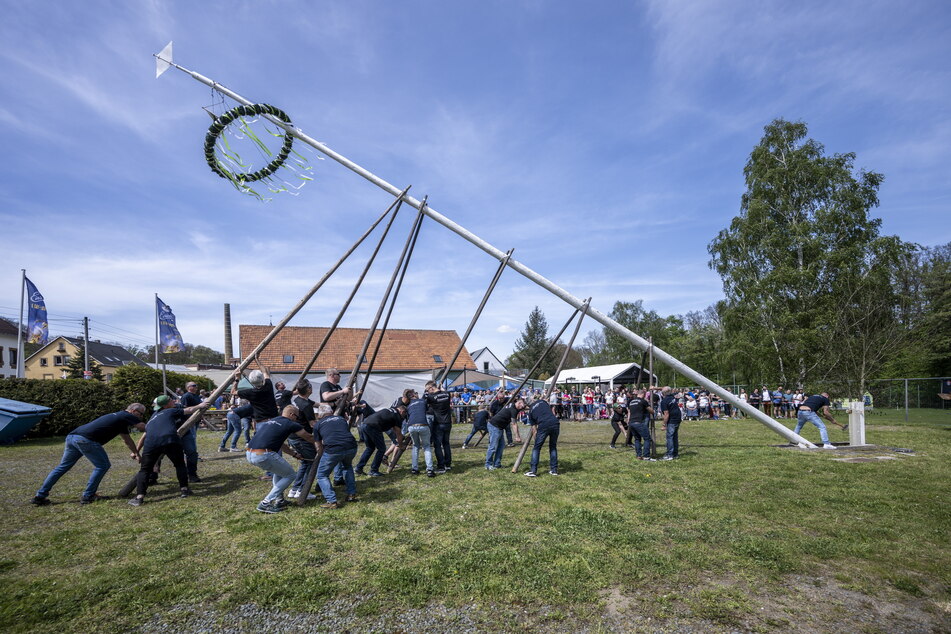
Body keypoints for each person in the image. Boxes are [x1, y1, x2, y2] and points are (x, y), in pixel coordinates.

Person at [32, 403, 147, 505]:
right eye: (141, 414)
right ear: (133, 411)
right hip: (86, 440)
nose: (140, 417)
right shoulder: (126, 415)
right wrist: (158, 424)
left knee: (63, 467)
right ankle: (88, 495)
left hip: (73, 437)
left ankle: (40, 496)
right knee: (103, 465)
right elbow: (142, 427)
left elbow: (127, 440)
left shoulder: (120, 419)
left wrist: (136, 453)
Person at [128, 395, 210, 507]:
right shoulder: (170, 411)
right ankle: (184, 490)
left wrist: (137, 451)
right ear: (166, 405)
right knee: (180, 465)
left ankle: (139, 498)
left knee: (145, 470)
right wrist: (201, 405)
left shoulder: (152, 417)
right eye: (171, 401)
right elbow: (189, 410)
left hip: (151, 442)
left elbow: (145, 435)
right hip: (170, 439)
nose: (174, 401)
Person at [243, 405, 314, 513]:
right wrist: (323, 442)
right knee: (291, 475)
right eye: (296, 417)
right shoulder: (290, 424)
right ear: (291, 414)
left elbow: (281, 444)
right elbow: (308, 437)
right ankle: (265, 503)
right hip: (264, 454)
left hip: (250, 453)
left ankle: (279, 500)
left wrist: (294, 454)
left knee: (279, 472)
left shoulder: (272, 421)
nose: (296, 419)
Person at [313, 404, 360, 509]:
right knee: (347, 467)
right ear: (331, 412)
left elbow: (318, 445)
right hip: (351, 446)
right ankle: (351, 494)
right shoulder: (341, 419)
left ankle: (332, 501)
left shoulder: (318, 424)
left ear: (319, 415)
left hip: (333, 449)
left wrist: (320, 455)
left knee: (322, 475)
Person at [287, 379, 319, 500]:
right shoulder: (306, 406)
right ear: (309, 390)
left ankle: (294, 489)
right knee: (311, 462)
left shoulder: (298, 400)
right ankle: (303, 490)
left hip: (293, 437)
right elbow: (312, 424)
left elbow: (316, 404)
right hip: (302, 438)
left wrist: (328, 405)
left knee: (305, 463)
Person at [355, 404, 406, 476]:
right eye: (404, 414)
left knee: (370, 448)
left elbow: (392, 430)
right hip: (374, 427)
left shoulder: (389, 409)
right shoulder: (397, 416)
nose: (403, 417)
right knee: (381, 449)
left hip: (365, 424)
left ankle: (358, 468)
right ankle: (373, 470)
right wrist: (400, 445)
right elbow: (398, 433)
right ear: (402, 411)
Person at [233, 356, 278, 429]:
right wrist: (257, 360)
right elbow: (264, 372)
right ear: (262, 379)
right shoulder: (268, 386)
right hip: (274, 419)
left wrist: (237, 378)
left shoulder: (249, 392)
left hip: (261, 422)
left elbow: (233, 392)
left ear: (251, 381)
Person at [485, 397, 525, 470]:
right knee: (493, 446)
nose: (522, 407)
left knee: (501, 446)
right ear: (519, 403)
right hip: (494, 426)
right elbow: (514, 424)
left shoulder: (513, 406)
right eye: (522, 405)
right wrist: (517, 436)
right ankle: (488, 465)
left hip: (499, 427)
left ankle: (497, 464)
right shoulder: (513, 410)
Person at [525, 397, 560, 477]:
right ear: (533, 400)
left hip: (543, 424)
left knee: (536, 448)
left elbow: (534, 429)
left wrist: (536, 439)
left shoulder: (530, 412)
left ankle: (533, 471)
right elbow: (546, 401)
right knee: (553, 447)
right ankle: (554, 470)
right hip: (555, 423)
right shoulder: (542, 401)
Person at [425, 380, 453, 473]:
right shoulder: (447, 394)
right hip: (448, 423)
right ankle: (448, 465)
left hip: (438, 423)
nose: (427, 392)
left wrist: (428, 393)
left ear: (431, 388)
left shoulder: (431, 397)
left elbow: (424, 400)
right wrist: (442, 389)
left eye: (427, 390)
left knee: (437, 445)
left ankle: (441, 466)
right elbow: (444, 392)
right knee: (446, 444)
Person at [407, 390, 435, 477]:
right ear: (414, 395)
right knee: (426, 446)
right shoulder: (423, 401)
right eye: (416, 393)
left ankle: (414, 469)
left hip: (411, 426)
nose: (417, 394)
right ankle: (430, 469)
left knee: (415, 446)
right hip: (423, 425)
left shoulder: (408, 405)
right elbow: (426, 409)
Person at [179, 381, 203, 482]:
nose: (196, 387)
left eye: (196, 385)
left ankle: (193, 457)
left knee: (193, 438)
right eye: (194, 385)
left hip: (195, 421)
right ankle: (189, 458)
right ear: (189, 387)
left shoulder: (196, 396)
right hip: (189, 421)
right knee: (191, 439)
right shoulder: (186, 396)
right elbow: (184, 409)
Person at [627, 389, 654, 460]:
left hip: (631, 422)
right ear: (643, 394)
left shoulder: (631, 402)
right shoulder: (643, 401)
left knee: (637, 439)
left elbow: (629, 412)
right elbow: (651, 411)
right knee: (647, 438)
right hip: (639, 422)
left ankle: (639, 455)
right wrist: (652, 410)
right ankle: (646, 456)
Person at [659, 386, 683, 461]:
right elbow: (667, 389)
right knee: (674, 437)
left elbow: (666, 414)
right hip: (678, 419)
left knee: (670, 437)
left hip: (672, 420)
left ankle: (669, 455)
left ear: (663, 393)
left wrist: (664, 424)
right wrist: (654, 388)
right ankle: (675, 454)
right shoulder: (672, 396)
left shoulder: (664, 401)